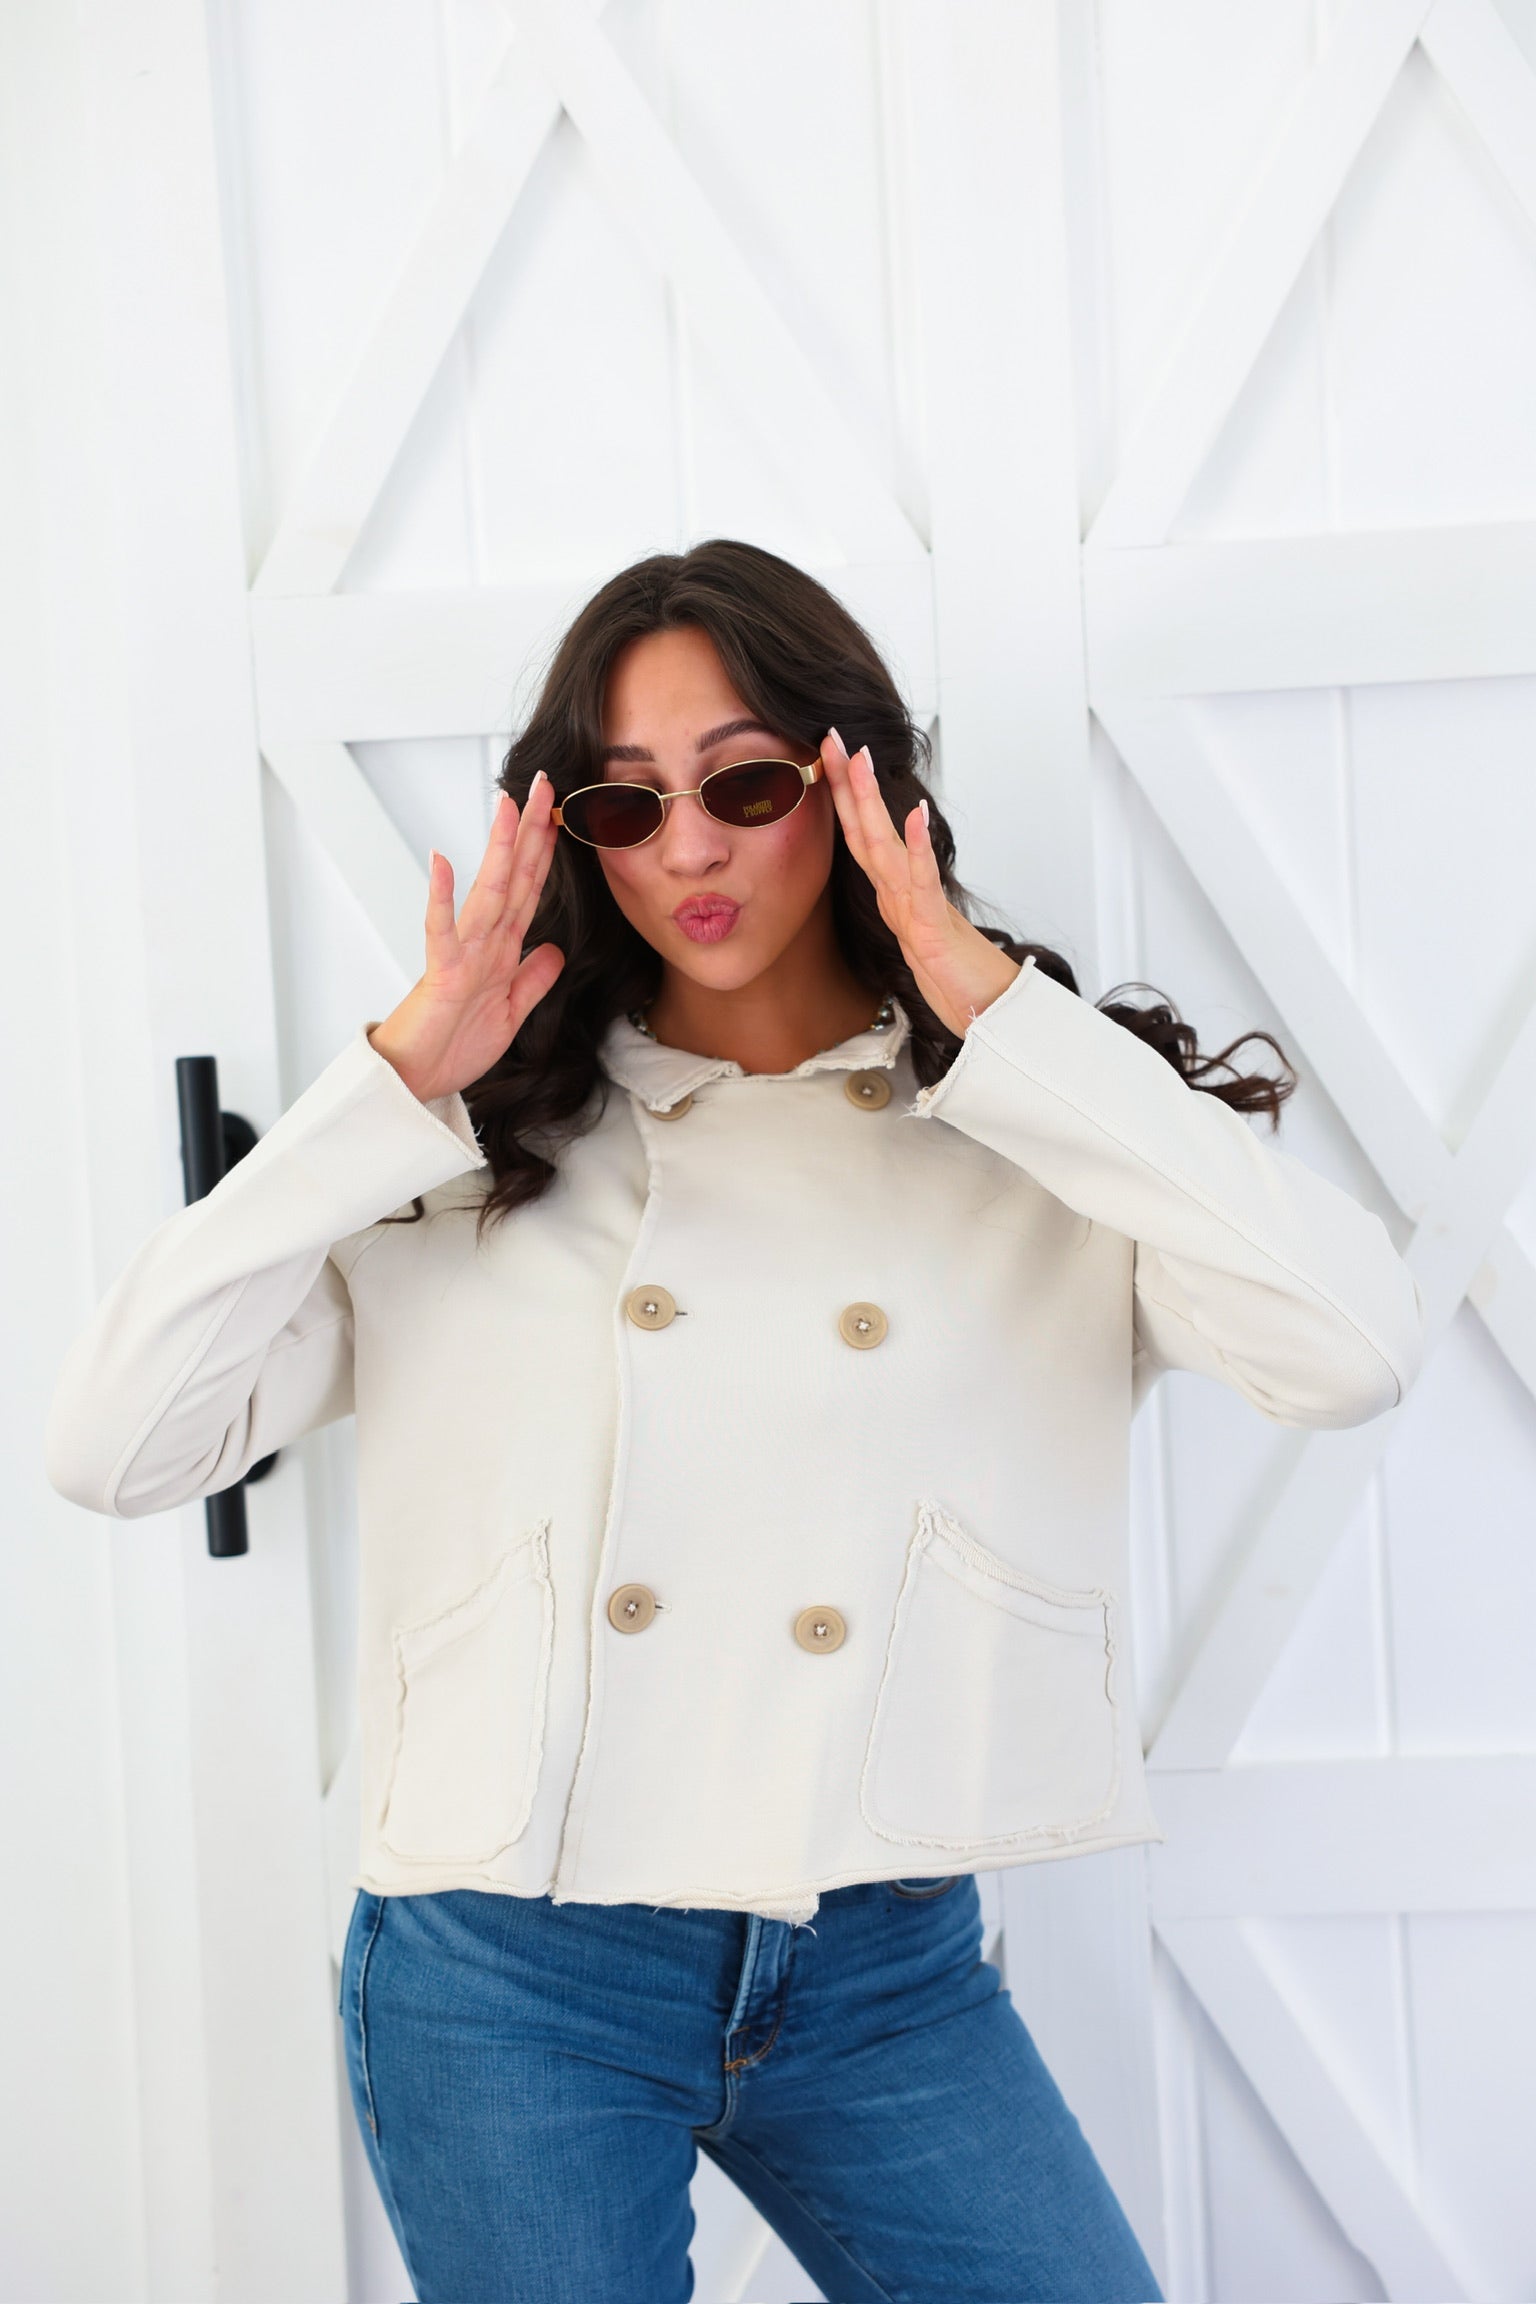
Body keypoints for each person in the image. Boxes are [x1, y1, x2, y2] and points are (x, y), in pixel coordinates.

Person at [45, 539, 1425, 2303]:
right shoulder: (474, 1150)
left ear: (856, 790)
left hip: (885, 1969)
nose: (688, 849)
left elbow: (1350, 1355)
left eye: (746, 785)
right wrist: (387, 1083)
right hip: (513, 1971)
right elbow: (114, 1447)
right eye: (627, 805)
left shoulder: (1035, 1133)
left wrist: (996, 1012)